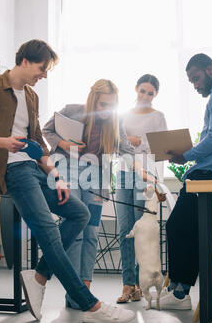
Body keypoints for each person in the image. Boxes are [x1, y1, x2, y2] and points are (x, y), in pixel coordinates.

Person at [0, 39, 136, 323]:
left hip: (36, 170)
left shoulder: (31, 97)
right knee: (49, 235)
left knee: (78, 213)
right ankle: (89, 305)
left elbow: (39, 143)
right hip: (11, 171)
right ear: (25, 61)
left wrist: (55, 175)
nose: (44, 75)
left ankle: (39, 276)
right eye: (42, 69)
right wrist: (3, 142)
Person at [42, 79, 158, 309]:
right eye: (103, 105)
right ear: (93, 99)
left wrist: (143, 173)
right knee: (75, 231)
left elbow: (126, 153)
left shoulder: (115, 123)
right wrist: (63, 144)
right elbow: (46, 130)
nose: (106, 111)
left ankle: (85, 288)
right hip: (70, 172)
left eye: (111, 106)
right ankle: (75, 292)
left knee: (92, 233)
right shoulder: (72, 110)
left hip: (96, 177)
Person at [158, 53, 212, 310]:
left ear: (210, 70)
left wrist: (186, 155)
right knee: (188, 228)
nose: (195, 85)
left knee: (177, 227)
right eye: (191, 81)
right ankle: (178, 291)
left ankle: (179, 294)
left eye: (196, 78)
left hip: (208, 174)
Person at [115, 74, 168, 304]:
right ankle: (128, 285)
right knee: (124, 230)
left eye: (151, 93)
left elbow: (163, 148)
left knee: (141, 233)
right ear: (135, 89)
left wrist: (140, 142)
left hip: (145, 177)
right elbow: (115, 145)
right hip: (124, 174)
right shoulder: (123, 115)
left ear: (155, 95)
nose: (145, 96)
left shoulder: (158, 117)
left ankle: (141, 283)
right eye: (142, 91)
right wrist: (127, 142)